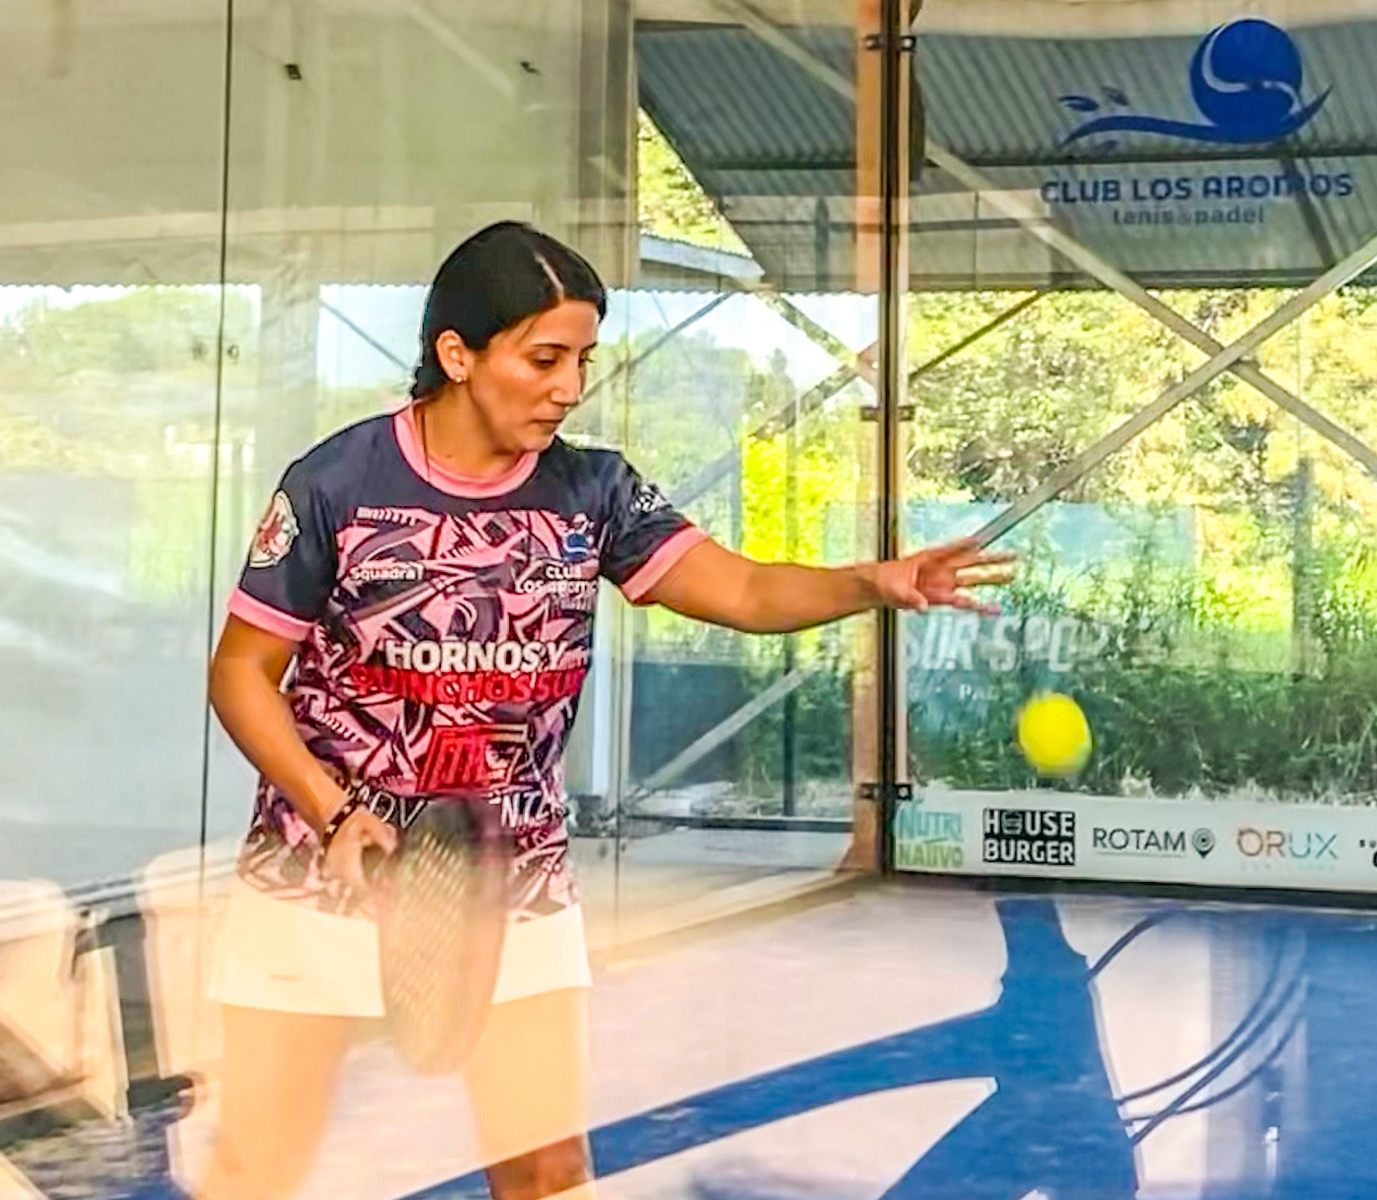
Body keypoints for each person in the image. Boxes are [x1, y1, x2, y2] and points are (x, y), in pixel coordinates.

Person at [200, 220, 1015, 1200]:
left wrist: (871, 581)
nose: (569, 387)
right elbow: (241, 673)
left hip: (513, 883)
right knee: (257, 1168)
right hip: (315, 878)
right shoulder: (336, 484)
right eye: (544, 359)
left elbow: (744, 589)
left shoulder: (594, 491)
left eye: (583, 360)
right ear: (457, 354)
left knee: (547, 1170)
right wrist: (331, 810)